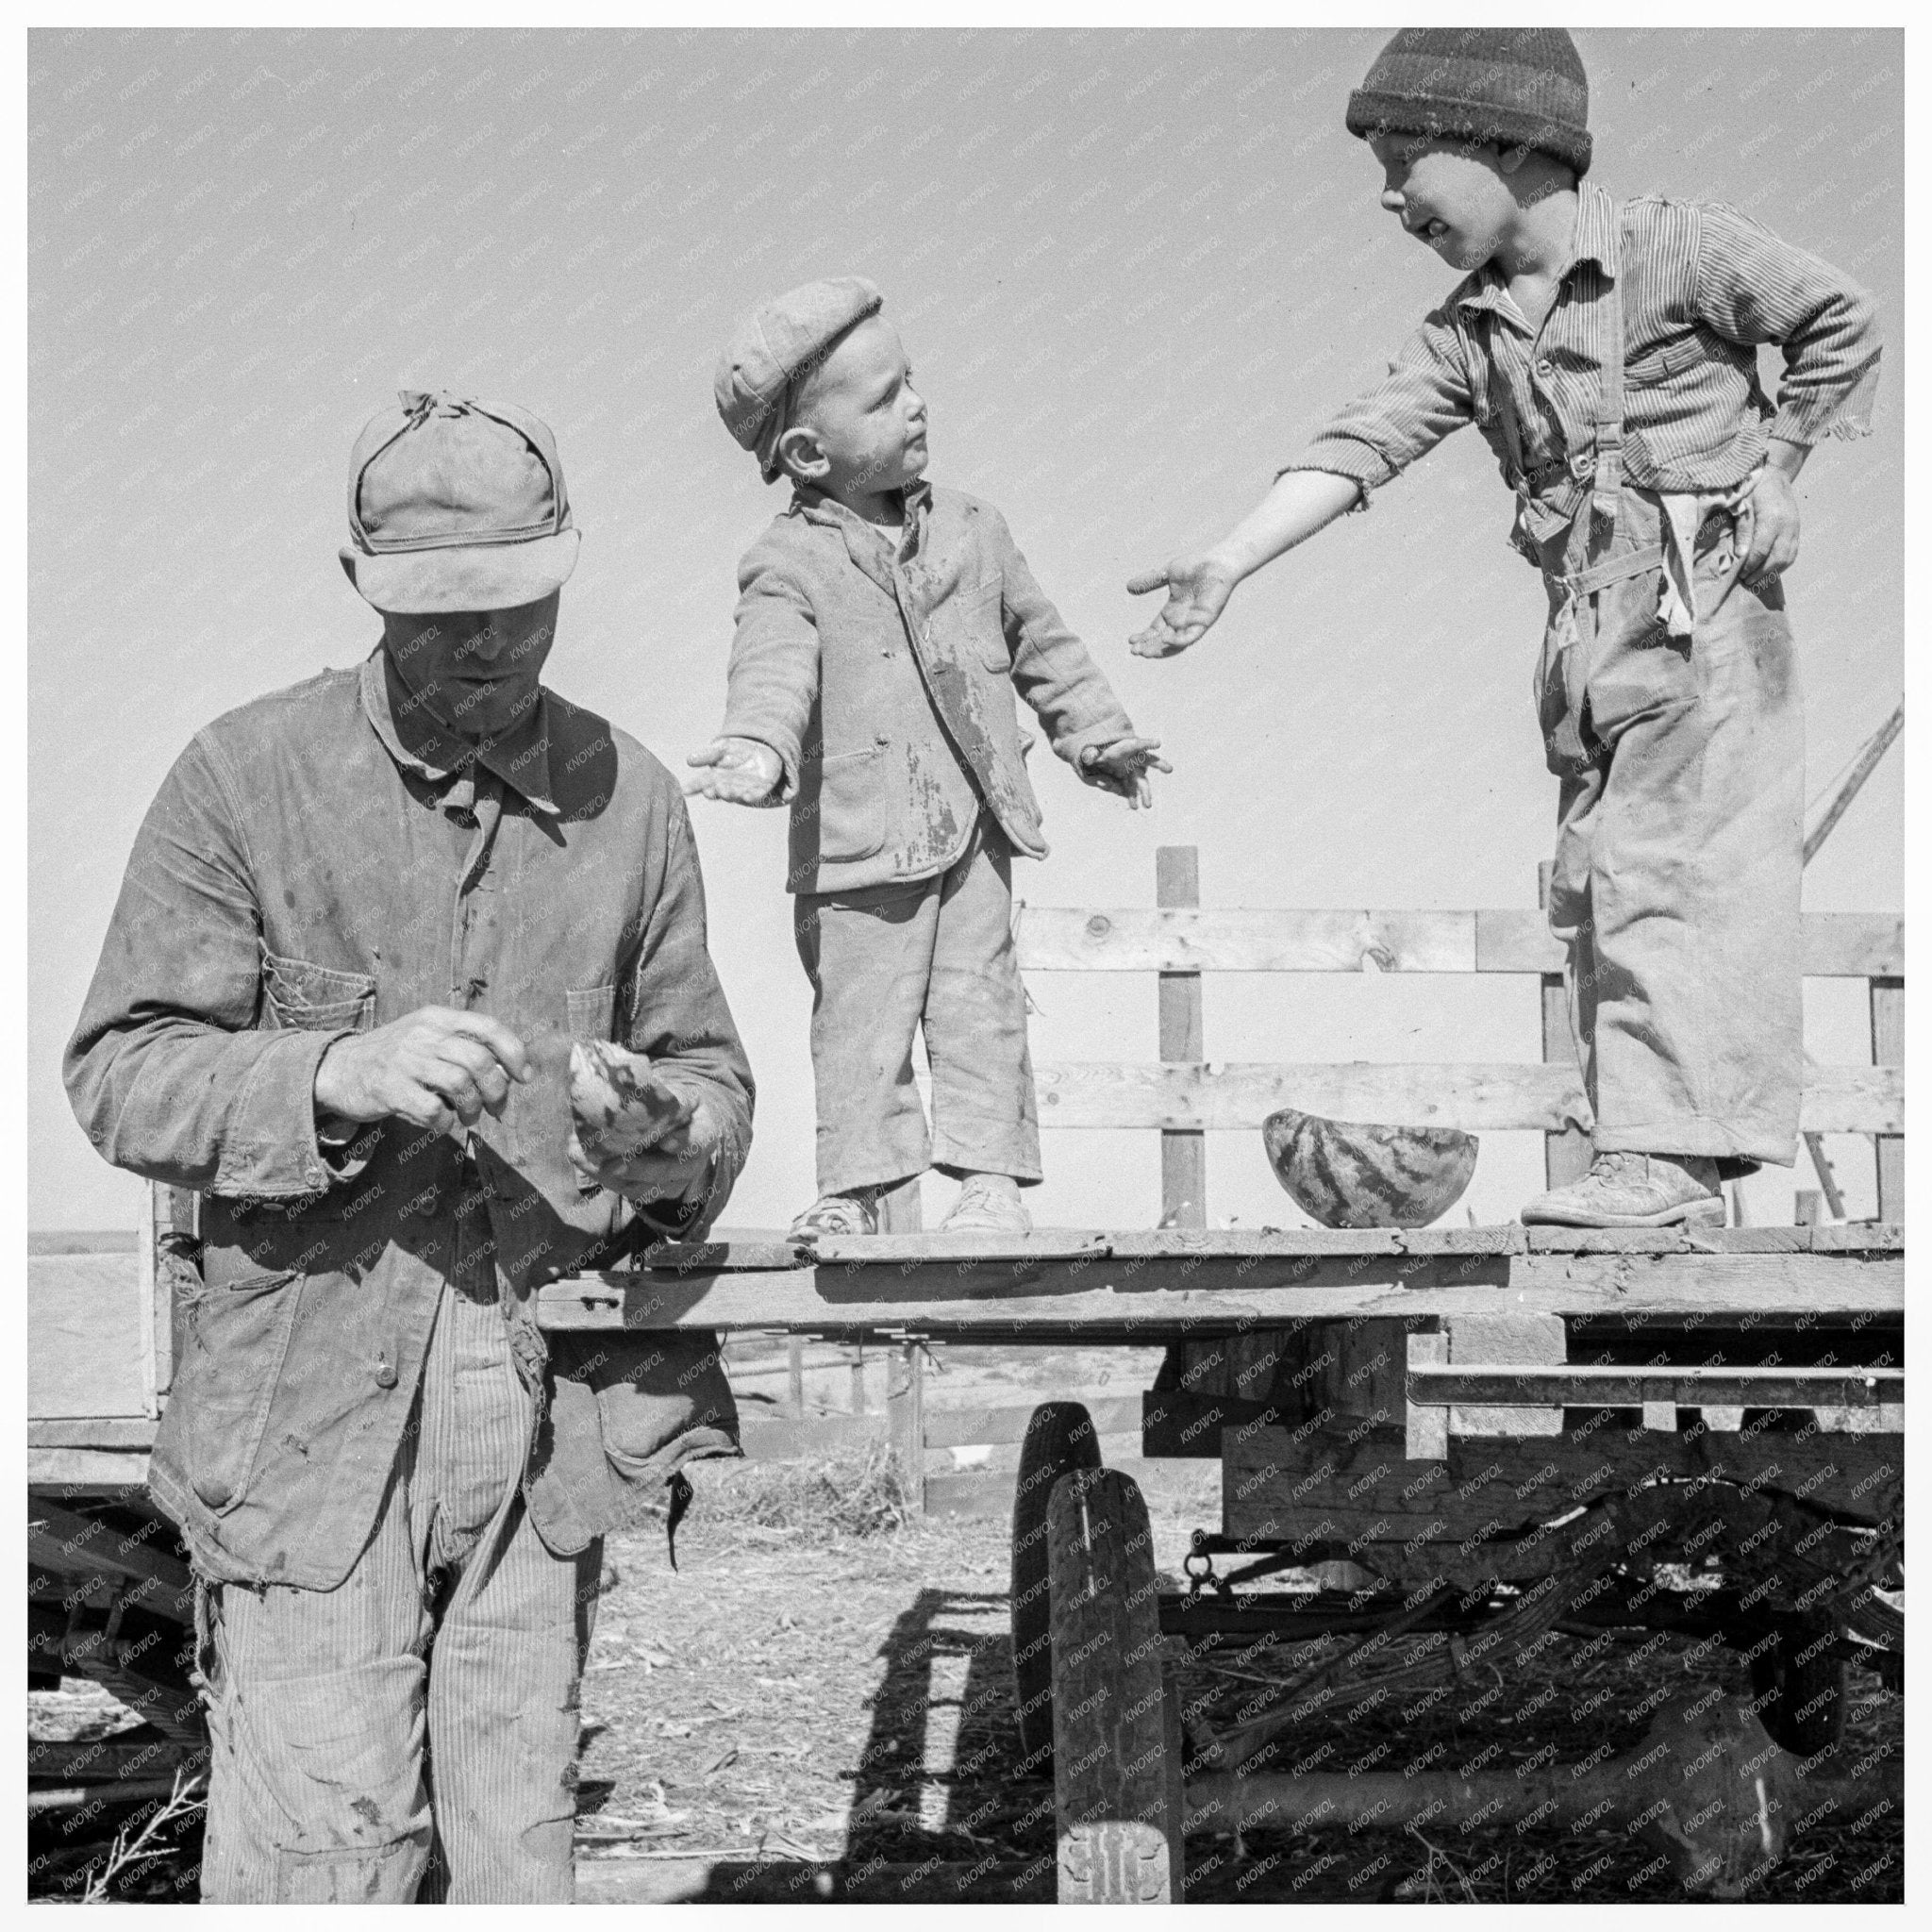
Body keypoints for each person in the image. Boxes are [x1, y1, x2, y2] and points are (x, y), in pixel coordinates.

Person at [64, 391, 756, 1902]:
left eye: (521, 605)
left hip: (543, 1428)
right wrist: (333, 1072)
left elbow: (715, 1089)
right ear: (358, 585)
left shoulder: (630, 799)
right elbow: (120, 1077)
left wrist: (666, 1136)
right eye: (446, 617)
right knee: (332, 1857)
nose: (491, 644)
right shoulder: (242, 778)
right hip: (306, 1432)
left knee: (518, 1851)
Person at [1128, 27, 1881, 1228]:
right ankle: (1651, 1160)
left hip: (1701, 607)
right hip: (1583, 639)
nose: (1387, 198)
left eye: (1404, 161)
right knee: (1595, 886)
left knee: (1671, 873)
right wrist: (1229, 557)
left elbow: (1838, 318)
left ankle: (1665, 1158)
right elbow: (1361, 439)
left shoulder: (1675, 246)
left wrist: (1780, 462)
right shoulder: (1466, 332)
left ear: (1508, 143)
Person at [692, 276, 1168, 1239]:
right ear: (806, 452)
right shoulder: (787, 560)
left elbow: (1043, 641)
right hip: (857, 841)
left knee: (978, 1004)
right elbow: (771, 664)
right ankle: (858, 1190)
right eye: (883, 398)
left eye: (911, 381)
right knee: (859, 1026)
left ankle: (988, 1182)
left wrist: (1095, 733)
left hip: (976, 826)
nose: (916, 405)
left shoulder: (974, 529)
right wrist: (755, 744)